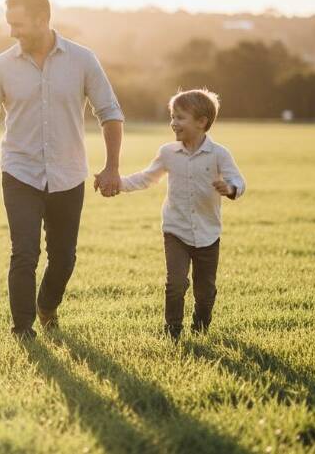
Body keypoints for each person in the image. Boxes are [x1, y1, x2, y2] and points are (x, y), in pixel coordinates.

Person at [0, 0, 125, 339]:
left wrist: (112, 166)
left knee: (64, 258)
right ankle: (22, 329)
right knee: (24, 253)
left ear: (43, 20)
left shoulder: (82, 60)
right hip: (19, 172)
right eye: (9, 24)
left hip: (68, 174)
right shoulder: (2, 66)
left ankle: (47, 305)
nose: (12, 32)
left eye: (18, 24)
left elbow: (110, 113)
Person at [105, 89, 245, 341]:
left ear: (202, 122)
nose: (173, 123)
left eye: (180, 117)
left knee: (205, 291)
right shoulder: (168, 152)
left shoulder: (218, 154)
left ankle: (200, 328)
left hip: (208, 233)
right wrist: (118, 184)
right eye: (172, 116)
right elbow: (147, 178)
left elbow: (238, 180)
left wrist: (231, 188)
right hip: (175, 230)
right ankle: (173, 332)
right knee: (175, 284)